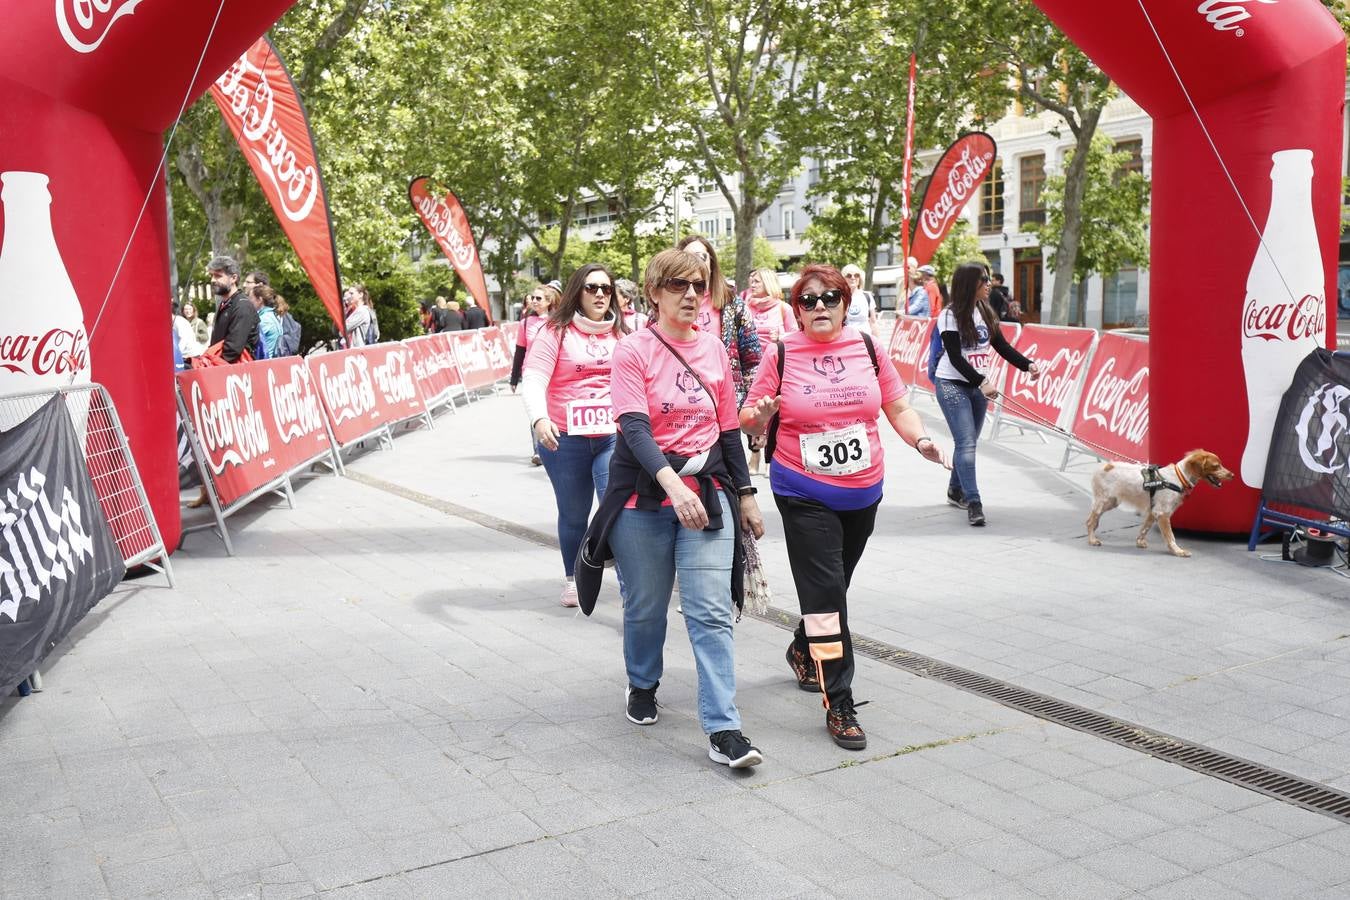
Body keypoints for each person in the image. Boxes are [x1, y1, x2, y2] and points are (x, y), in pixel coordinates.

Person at [740, 264, 948, 750]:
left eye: (829, 297)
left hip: (863, 491)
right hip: (802, 490)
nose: (819, 307)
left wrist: (921, 441)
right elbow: (746, 417)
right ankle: (840, 700)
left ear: (845, 301)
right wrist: (760, 417)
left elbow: (897, 405)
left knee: (831, 588)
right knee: (828, 598)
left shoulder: (868, 348)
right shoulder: (782, 352)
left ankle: (801, 647)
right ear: (796, 309)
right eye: (807, 300)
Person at [577, 248, 765, 769]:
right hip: (643, 497)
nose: (689, 295)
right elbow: (633, 428)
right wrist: (671, 484)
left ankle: (725, 729)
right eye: (677, 285)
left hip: (706, 493)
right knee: (645, 606)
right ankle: (642, 682)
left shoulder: (714, 352)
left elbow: (728, 430)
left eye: (698, 286)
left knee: (709, 612)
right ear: (654, 292)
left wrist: (745, 494)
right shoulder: (632, 351)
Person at [521, 264, 630, 607]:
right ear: (576, 292)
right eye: (591, 287)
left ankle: (628, 581)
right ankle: (573, 578)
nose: (600, 294)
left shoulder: (622, 333)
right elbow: (534, 379)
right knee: (573, 513)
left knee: (615, 506)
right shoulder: (555, 331)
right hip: (563, 438)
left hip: (611, 437)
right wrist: (539, 419)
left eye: (606, 288)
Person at [934, 263, 1042, 526]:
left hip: (979, 386)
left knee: (967, 443)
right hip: (952, 383)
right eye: (983, 279)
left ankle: (955, 490)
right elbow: (956, 358)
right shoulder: (949, 315)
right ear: (969, 283)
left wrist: (1027, 364)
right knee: (967, 443)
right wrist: (982, 380)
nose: (988, 283)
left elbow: (1001, 346)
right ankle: (974, 502)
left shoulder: (985, 310)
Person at [676, 235, 761, 410]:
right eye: (687, 257)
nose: (695, 262)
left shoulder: (733, 304)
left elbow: (752, 361)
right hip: (679, 404)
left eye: (701, 256)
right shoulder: (667, 304)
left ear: (711, 262)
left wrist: (752, 410)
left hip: (726, 405)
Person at [744, 267, 795, 477]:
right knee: (751, 411)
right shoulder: (746, 307)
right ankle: (754, 454)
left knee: (774, 411)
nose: (752, 284)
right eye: (751, 281)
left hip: (776, 366)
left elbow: (794, 337)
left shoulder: (783, 308)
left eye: (757, 280)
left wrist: (780, 336)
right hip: (751, 367)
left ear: (768, 282)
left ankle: (770, 455)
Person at [511, 283, 560, 466]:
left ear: (549, 301)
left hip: (553, 374)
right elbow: (520, 350)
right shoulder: (525, 323)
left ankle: (554, 445)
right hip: (532, 373)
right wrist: (514, 378)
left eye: (539, 298)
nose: (534, 301)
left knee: (552, 410)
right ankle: (538, 450)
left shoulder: (557, 322)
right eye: (533, 297)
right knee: (536, 410)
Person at [206, 255, 259, 363]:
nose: (212, 280)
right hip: (220, 366)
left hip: (235, 372)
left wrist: (210, 365)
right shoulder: (225, 303)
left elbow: (233, 349)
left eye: (218, 276)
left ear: (233, 278)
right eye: (212, 275)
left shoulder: (243, 306)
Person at [840, 264, 879, 337]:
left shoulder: (867, 296)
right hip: (847, 340)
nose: (853, 278)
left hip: (865, 341)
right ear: (843, 279)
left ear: (860, 278)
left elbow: (873, 322)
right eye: (849, 275)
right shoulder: (840, 297)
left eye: (856, 275)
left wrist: (878, 343)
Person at [252, 284, 281, 359]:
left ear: (260, 300)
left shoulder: (264, 320)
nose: (249, 301)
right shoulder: (272, 316)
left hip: (265, 363)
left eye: (251, 298)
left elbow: (251, 341)